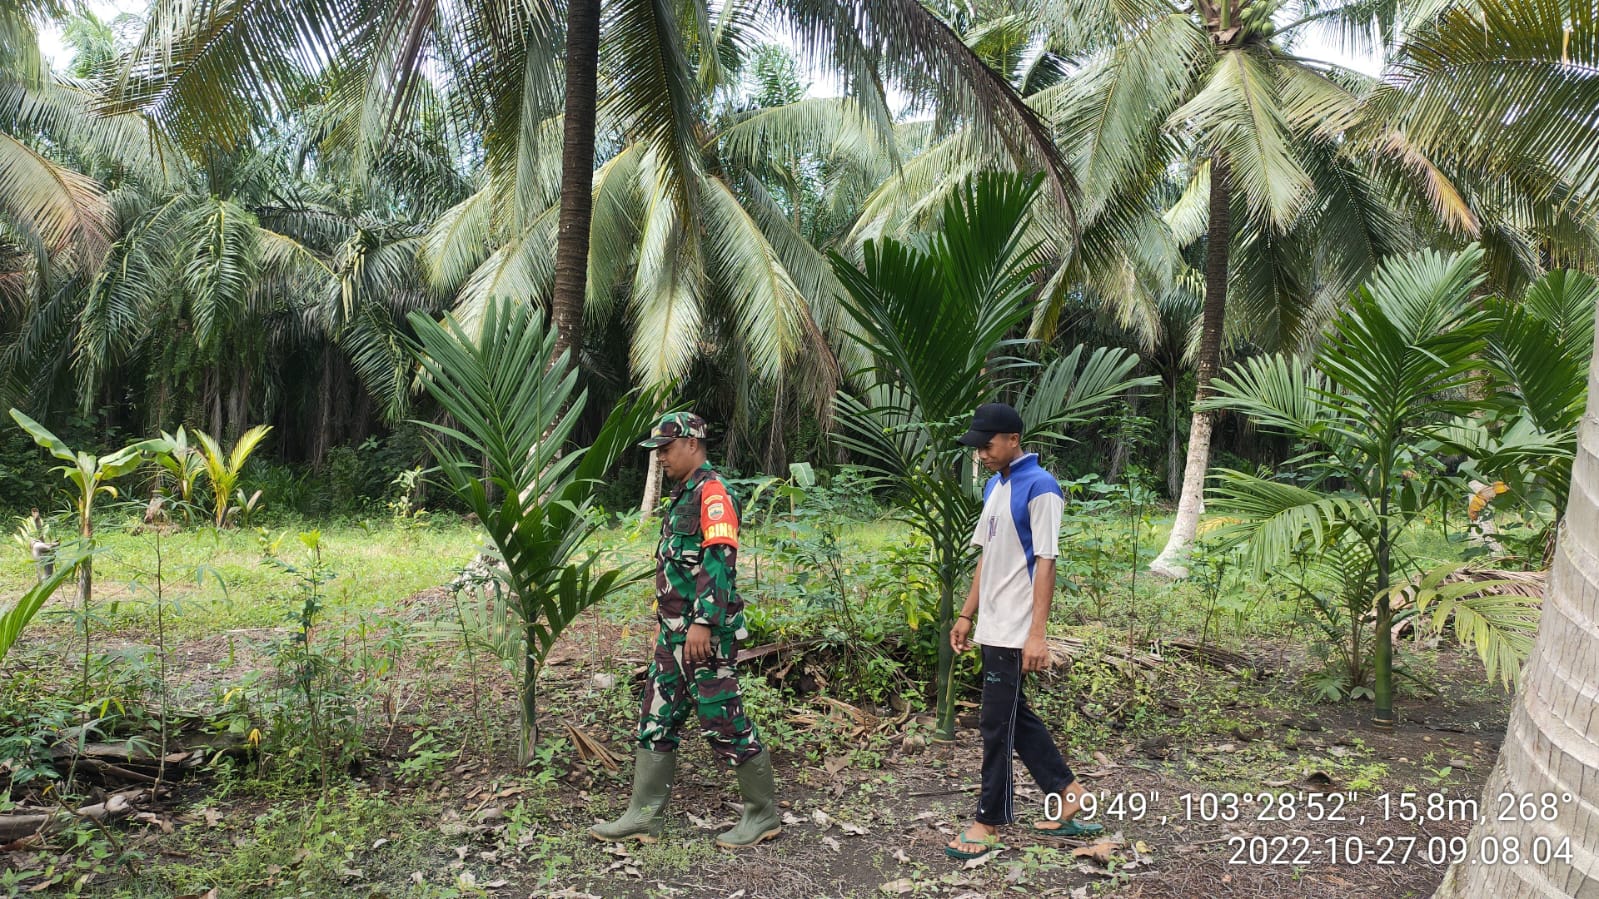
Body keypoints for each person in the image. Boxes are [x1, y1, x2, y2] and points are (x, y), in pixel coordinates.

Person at [591, 412, 781, 849]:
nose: (660, 458)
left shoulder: (713, 495)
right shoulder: (683, 495)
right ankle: (644, 817)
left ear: (692, 443)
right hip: (672, 636)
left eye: (666, 448)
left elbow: (719, 562)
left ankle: (762, 814)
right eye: (657, 450)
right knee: (656, 718)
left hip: (702, 637)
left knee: (722, 719)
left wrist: (702, 622)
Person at [945, 402, 1104, 860]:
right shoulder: (996, 485)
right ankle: (1066, 791)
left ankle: (988, 822)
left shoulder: (1041, 488)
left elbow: (1047, 562)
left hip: (1016, 630)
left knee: (997, 724)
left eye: (987, 445)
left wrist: (1037, 634)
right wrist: (965, 614)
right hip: (992, 625)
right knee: (1015, 718)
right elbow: (986, 557)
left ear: (1013, 439)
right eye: (977, 448)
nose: (981, 455)